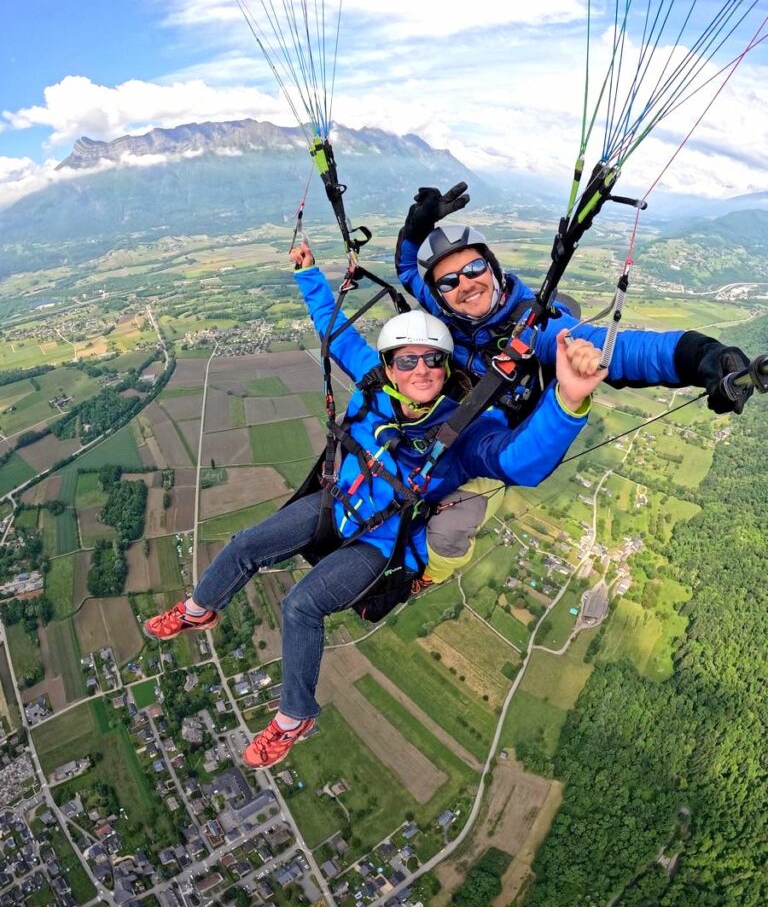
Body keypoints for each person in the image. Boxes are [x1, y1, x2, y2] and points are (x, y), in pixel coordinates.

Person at [143, 242, 606, 770]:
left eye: (434, 359)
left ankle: (294, 717)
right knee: (246, 544)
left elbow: (520, 461)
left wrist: (568, 402)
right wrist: (309, 274)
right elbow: (334, 329)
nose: (422, 369)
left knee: (301, 605)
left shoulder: (465, 427)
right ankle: (199, 609)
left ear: (447, 364)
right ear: (389, 364)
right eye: (407, 360)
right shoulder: (372, 382)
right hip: (334, 504)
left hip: (377, 541)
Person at [394, 182, 754, 581]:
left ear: (493, 270)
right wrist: (415, 229)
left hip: (493, 447)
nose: (463, 284)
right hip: (451, 427)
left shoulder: (537, 328)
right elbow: (409, 270)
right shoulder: (448, 308)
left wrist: (699, 355)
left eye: (474, 269)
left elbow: (618, 350)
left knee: (448, 527)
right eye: (448, 282)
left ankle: (430, 575)